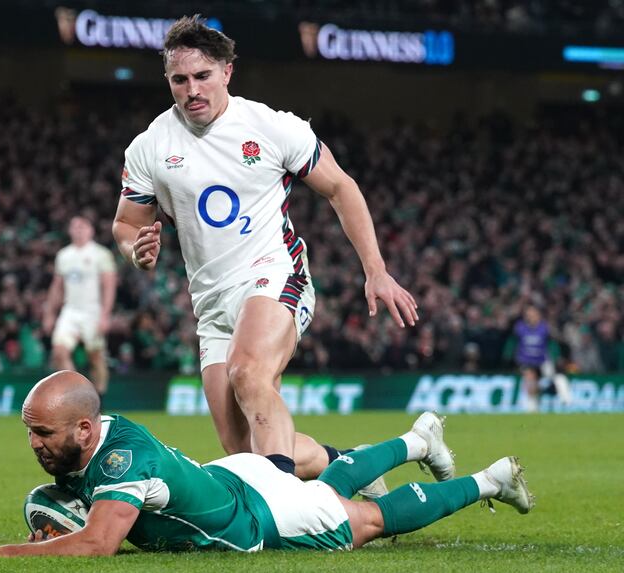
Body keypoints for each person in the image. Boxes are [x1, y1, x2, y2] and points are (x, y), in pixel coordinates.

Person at [111, 15, 418, 478]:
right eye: (179, 79)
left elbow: (340, 187)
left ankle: (277, 510)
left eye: (202, 76)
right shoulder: (149, 147)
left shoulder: (273, 127)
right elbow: (125, 225)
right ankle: (355, 465)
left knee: (249, 373)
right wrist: (137, 249)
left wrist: (375, 270)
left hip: (273, 271)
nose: (191, 89)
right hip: (211, 302)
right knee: (242, 449)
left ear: (227, 72)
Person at [0, 371, 533, 559]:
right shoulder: (101, 436)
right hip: (231, 475)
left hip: (253, 518)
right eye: (29, 432)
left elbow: (97, 546)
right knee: (328, 485)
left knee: (364, 519)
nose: (34, 442)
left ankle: (490, 479)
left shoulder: (118, 459)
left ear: (83, 429)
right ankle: (416, 441)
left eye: (43, 432)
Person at [43, 216, 117, 399]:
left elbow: (109, 285)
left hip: (93, 310)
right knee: (59, 351)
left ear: (91, 230)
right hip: (71, 310)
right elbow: (57, 286)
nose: (78, 230)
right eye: (75, 227)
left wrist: (105, 315)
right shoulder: (64, 255)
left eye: (82, 227)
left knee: (95, 357)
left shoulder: (101, 254)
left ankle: (99, 397)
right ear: (69, 231)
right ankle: (78, 395)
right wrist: (50, 313)